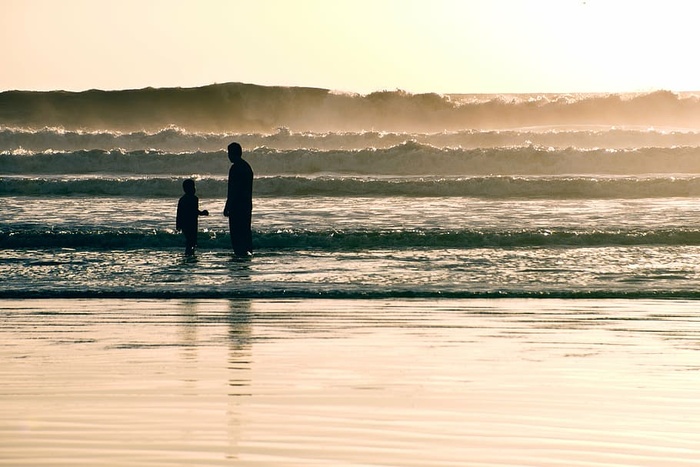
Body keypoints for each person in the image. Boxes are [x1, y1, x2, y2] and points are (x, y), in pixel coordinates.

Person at [223, 142, 254, 256]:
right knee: (245, 231)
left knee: (236, 233)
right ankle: (247, 254)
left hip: (237, 206)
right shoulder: (247, 166)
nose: (228, 156)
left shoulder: (235, 168)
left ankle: (239, 255)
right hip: (246, 205)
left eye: (229, 153)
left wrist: (228, 206)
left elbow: (233, 189)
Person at [176, 178, 209, 256]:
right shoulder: (194, 199)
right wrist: (202, 213)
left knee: (189, 241)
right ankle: (190, 255)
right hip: (191, 223)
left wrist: (178, 224)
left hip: (185, 223)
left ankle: (189, 254)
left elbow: (179, 213)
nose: (194, 189)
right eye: (193, 187)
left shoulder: (182, 199)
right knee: (192, 241)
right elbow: (194, 211)